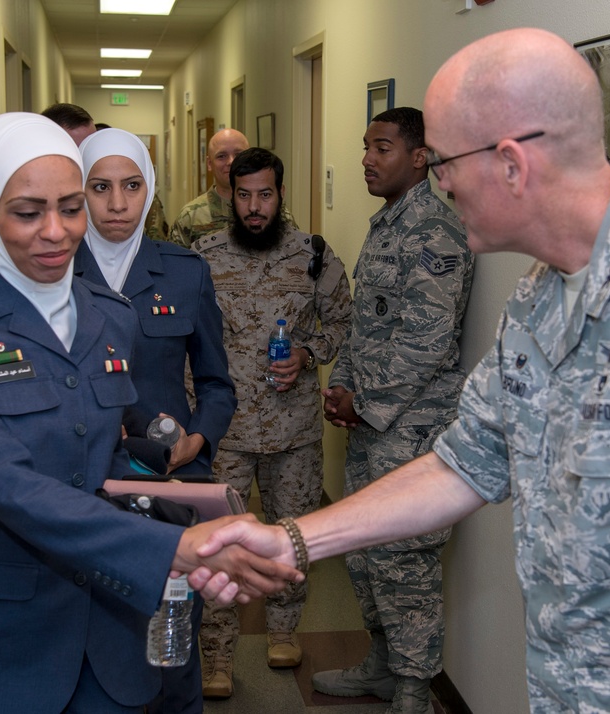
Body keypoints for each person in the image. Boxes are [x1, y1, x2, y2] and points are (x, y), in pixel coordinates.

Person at [196, 28, 610, 714]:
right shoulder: (538, 295)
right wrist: (290, 539)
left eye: (446, 162)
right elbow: (461, 465)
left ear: (513, 164)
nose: (441, 182)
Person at [0, 113, 299, 713]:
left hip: (109, 627)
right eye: (27, 212)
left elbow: (109, 438)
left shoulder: (111, 314)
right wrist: (168, 551)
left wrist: (182, 478)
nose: (56, 231)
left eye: (71, 207)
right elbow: (6, 484)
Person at [313, 106, 473, 714]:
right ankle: (382, 665)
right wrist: (342, 386)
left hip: (412, 430)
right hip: (372, 427)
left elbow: (426, 342)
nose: (366, 159)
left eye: (381, 148)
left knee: (405, 557)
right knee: (365, 549)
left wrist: (367, 401)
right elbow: (366, 323)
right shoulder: (387, 225)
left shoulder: (436, 231)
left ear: (420, 156)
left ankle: (413, 687)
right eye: (365, 147)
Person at [73, 127, 237, 714]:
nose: (117, 205)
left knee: (171, 642)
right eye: (100, 187)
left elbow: (217, 383)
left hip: (166, 487)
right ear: (79, 192)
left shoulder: (184, 272)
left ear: (151, 189)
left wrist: (201, 437)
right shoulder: (51, 268)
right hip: (83, 484)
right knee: (90, 640)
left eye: (132, 186)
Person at [192, 147, 353, 698]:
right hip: (225, 432)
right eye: (244, 195)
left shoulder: (313, 255)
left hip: (294, 432)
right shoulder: (203, 255)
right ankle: (215, 656)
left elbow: (341, 325)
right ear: (229, 196)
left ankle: (283, 632)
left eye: (265, 194)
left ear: (281, 194)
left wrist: (308, 353)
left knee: (293, 536)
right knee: (216, 547)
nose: (254, 207)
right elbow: (187, 339)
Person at [168, 129, 296, 249]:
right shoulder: (191, 217)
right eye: (221, 156)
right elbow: (175, 266)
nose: (231, 161)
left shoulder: (277, 213)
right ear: (209, 163)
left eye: (238, 154)